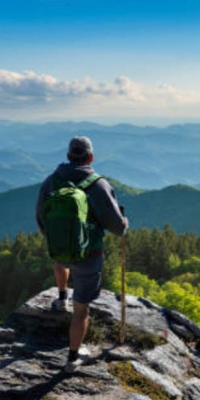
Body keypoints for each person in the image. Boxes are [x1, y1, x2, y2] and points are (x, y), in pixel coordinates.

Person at [36, 135, 128, 372]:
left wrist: (53, 238)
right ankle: (72, 359)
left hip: (60, 250)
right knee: (81, 310)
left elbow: (41, 215)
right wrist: (124, 222)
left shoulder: (51, 181)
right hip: (89, 255)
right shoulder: (98, 185)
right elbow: (117, 227)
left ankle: (61, 296)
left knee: (61, 263)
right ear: (90, 157)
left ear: (68, 156)